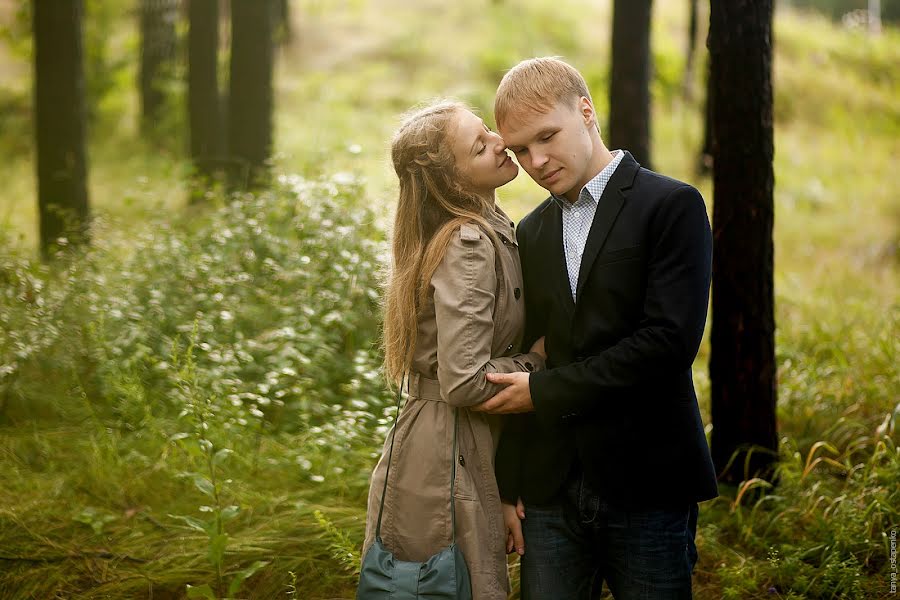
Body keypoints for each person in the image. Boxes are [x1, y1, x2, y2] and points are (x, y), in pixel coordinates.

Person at [473, 57, 719, 599]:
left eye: (546, 137)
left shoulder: (671, 205)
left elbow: (667, 346)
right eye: (519, 150)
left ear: (586, 111)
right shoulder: (531, 232)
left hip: (648, 483)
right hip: (550, 492)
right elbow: (526, 354)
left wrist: (544, 392)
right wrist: (507, 486)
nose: (535, 161)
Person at [361, 100, 546, 600]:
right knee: (444, 586)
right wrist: (541, 362)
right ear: (454, 182)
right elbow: (464, 381)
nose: (500, 142)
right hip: (444, 452)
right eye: (479, 146)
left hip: (457, 441)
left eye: (488, 130)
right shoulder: (466, 241)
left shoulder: (488, 224)